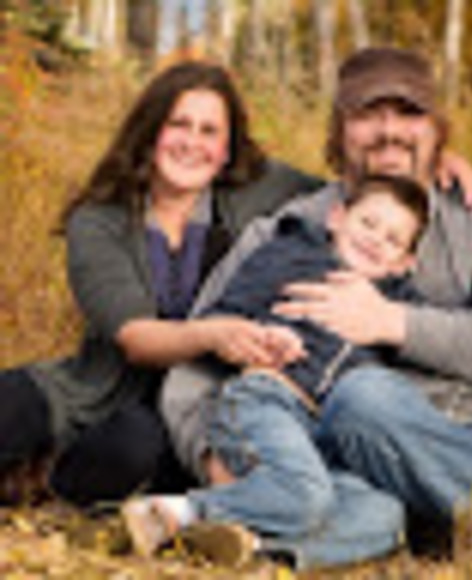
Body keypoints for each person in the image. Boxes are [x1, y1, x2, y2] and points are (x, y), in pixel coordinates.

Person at [161, 46, 472, 572]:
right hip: (371, 450)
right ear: (339, 131)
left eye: (409, 112)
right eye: (367, 113)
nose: (389, 130)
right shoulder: (291, 234)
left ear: (437, 129)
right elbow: (193, 365)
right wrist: (216, 459)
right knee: (362, 395)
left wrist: (394, 323)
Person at [123, 173, 472, 566]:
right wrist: (263, 337)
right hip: (266, 401)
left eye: (393, 240)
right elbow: (226, 317)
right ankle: (178, 512)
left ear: (403, 263)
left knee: (384, 515)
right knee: (305, 493)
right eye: (368, 223)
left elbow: (438, 326)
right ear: (337, 217)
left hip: (325, 436)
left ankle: (254, 548)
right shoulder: (291, 254)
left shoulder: (392, 301)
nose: (376, 239)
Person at [0, 60, 326, 508]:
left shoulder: (261, 193)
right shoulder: (99, 220)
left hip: (180, 410)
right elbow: (136, 339)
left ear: (227, 150)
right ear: (151, 131)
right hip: (94, 389)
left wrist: (421, 155)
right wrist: (213, 334)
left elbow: (353, 193)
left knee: (131, 446)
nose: (192, 143)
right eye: (179, 124)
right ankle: (28, 461)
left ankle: (45, 482)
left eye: (209, 131)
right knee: (11, 401)